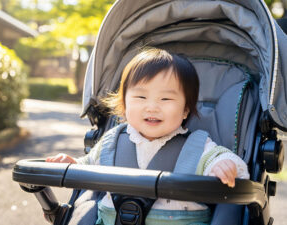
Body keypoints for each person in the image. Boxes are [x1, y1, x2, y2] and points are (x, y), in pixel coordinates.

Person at [46, 48, 249, 225]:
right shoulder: (111, 142)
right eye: (141, 97)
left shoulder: (197, 147)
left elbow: (225, 160)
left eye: (166, 98)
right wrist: (72, 165)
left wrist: (223, 166)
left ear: (186, 110)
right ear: (124, 105)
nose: (152, 107)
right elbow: (88, 166)